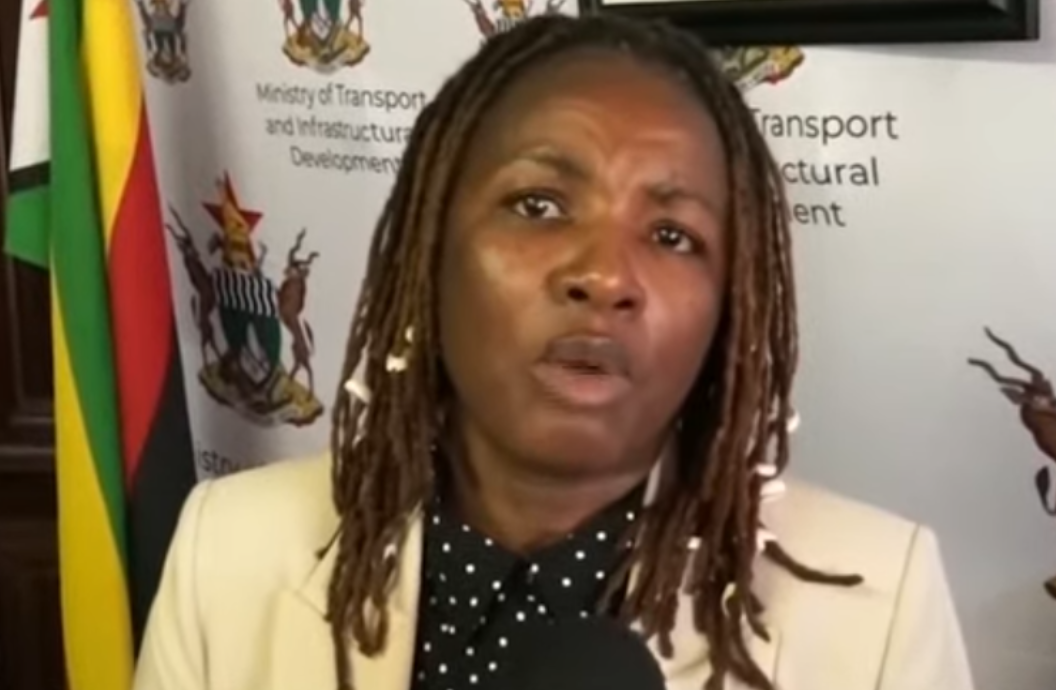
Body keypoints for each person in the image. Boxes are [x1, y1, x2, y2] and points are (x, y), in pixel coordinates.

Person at [133, 13, 974, 690]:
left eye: (673, 235)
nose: (604, 276)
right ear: (430, 250)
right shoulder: (226, 552)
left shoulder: (878, 609)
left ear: (728, 307)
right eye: (538, 205)